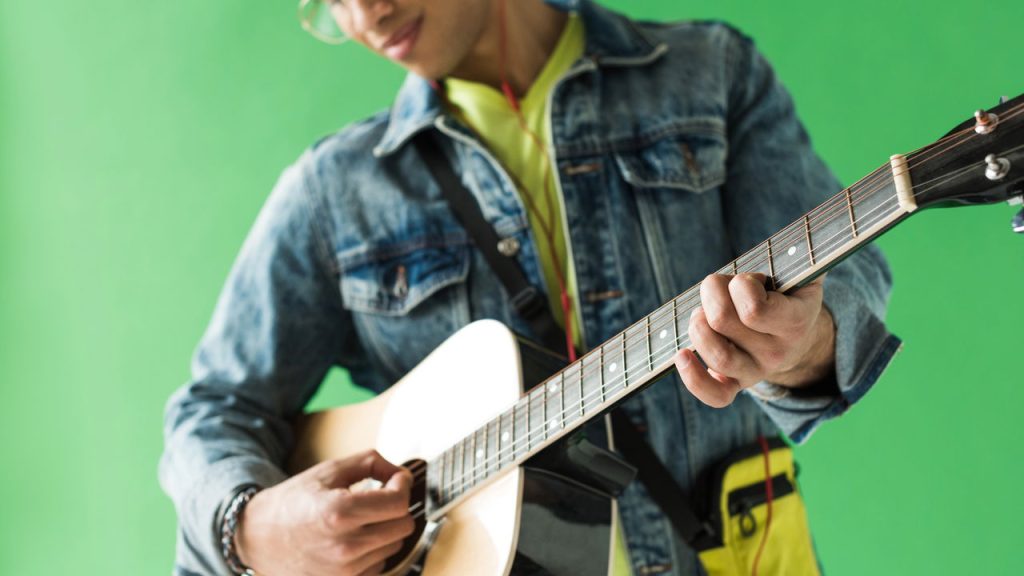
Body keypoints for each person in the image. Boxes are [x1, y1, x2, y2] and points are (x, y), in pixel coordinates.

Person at [159, 0, 900, 574]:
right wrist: (251, 525)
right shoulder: (332, 192)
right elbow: (212, 409)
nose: (365, 15)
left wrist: (804, 343)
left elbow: (844, 283)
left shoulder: (713, 75)